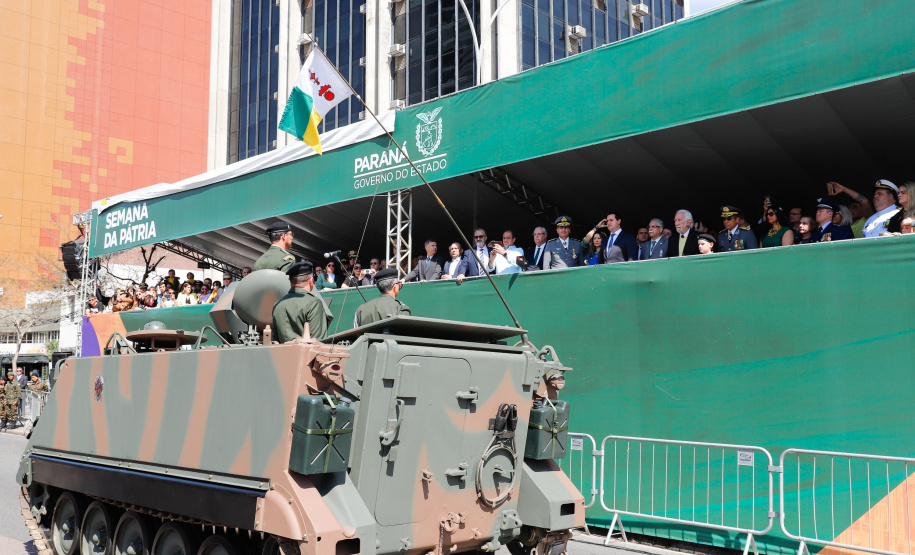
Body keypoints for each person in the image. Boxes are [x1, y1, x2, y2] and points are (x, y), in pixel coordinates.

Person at [272, 262, 333, 342]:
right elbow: (318, 341)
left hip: (280, 353)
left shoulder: (278, 304)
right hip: (305, 353)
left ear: (291, 282)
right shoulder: (313, 303)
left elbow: (274, 338)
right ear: (311, 281)